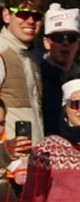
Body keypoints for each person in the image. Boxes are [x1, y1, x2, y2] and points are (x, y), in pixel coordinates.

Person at [39, 3, 80, 136]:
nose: (65, 43)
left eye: (71, 37)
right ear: (46, 43)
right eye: (58, 37)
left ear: (78, 44)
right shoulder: (36, 73)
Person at [0, 0, 45, 142]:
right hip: (9, 162)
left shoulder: (30, 58)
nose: (31, 21)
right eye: (23, 13)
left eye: (37, 16)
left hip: (31, 159)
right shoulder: (2, 53)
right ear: (6, 15)